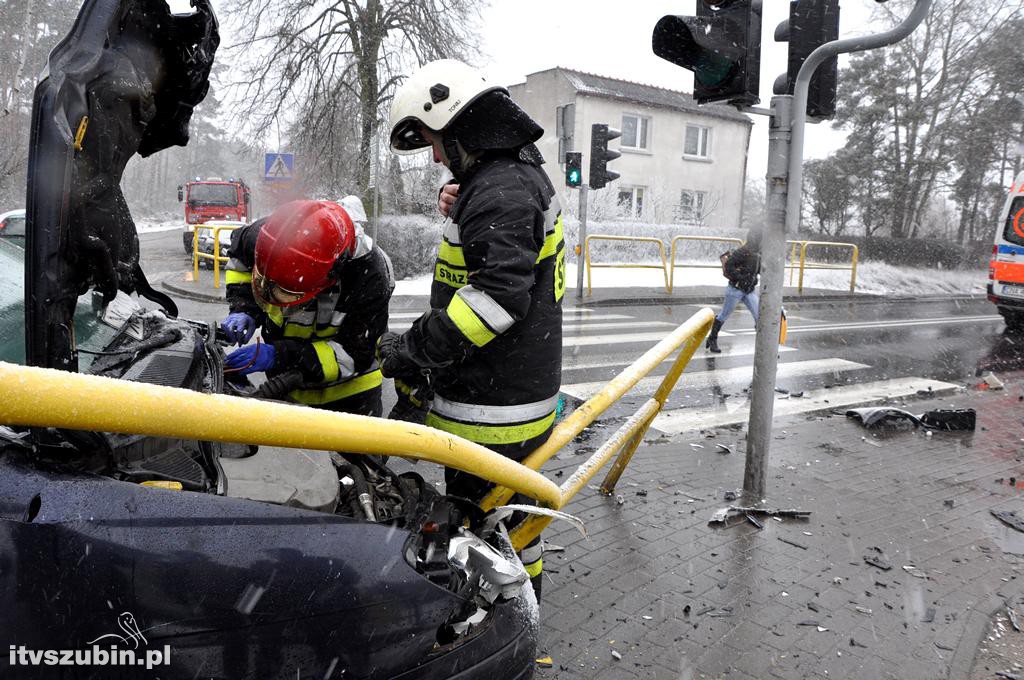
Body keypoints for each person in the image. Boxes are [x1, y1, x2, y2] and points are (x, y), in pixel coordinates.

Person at [378, 58, 565, 599]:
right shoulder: (510, 179)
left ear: (461, 125)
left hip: (492, 408)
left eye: (436, 141)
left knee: (480, 529)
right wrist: (462, 202)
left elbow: (494, 301)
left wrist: (412, 351)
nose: (436, 155)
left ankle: (501, 623)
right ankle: (523, 601)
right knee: (514, 523)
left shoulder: (499, 191)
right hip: (516, 393)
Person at [221, 199, 395, 416]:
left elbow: (352, 354)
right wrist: (243, 308)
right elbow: (240, 259)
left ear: (327, 279)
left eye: (287, 292)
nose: (272, 297)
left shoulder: (371, 275)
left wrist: (278, 356)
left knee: (356, 449)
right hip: (287, 385)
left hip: (350, 394)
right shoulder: (273, 236)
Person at [707, 228, 762, 354]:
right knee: (724, 315)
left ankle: (763, 347)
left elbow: (757, 270)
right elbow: (729, 266)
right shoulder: (742, 251)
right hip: (735, 289)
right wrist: (741, 278)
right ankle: (712, 339)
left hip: (749, 290)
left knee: (759, 316)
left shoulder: (759, 254)